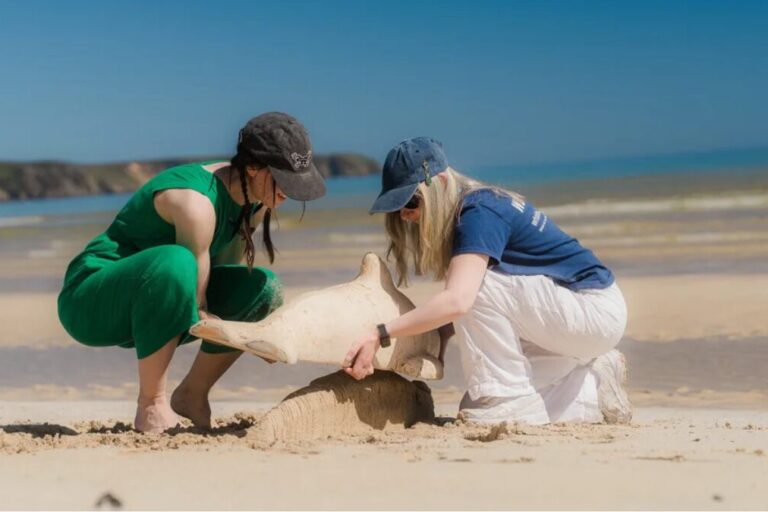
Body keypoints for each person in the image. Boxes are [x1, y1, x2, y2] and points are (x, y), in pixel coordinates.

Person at [58, 112, 326, 433]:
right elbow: (198, 311)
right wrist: (238, 335)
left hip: (160, 304)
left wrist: (258, 334)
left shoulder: (254, 200)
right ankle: (151, 405)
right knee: (177, 261)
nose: (289, 193)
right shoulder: (195, 204)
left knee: (264, 288)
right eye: (284, 179)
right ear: (253, 167)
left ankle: (192, 395)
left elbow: (224, 279)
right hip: (91, 302)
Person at [344, 137, 630, 425]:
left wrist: (379, 333)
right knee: (474, 404)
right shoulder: (479, 205)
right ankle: (593, 384)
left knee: (475, 290)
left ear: (441, 182)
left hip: (592, 310)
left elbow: (459, 300)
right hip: (573, 318)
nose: (406, 215)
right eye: (397, 208)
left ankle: (509, 399)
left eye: (410, 202)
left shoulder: (479, 212)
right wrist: (441, 336)